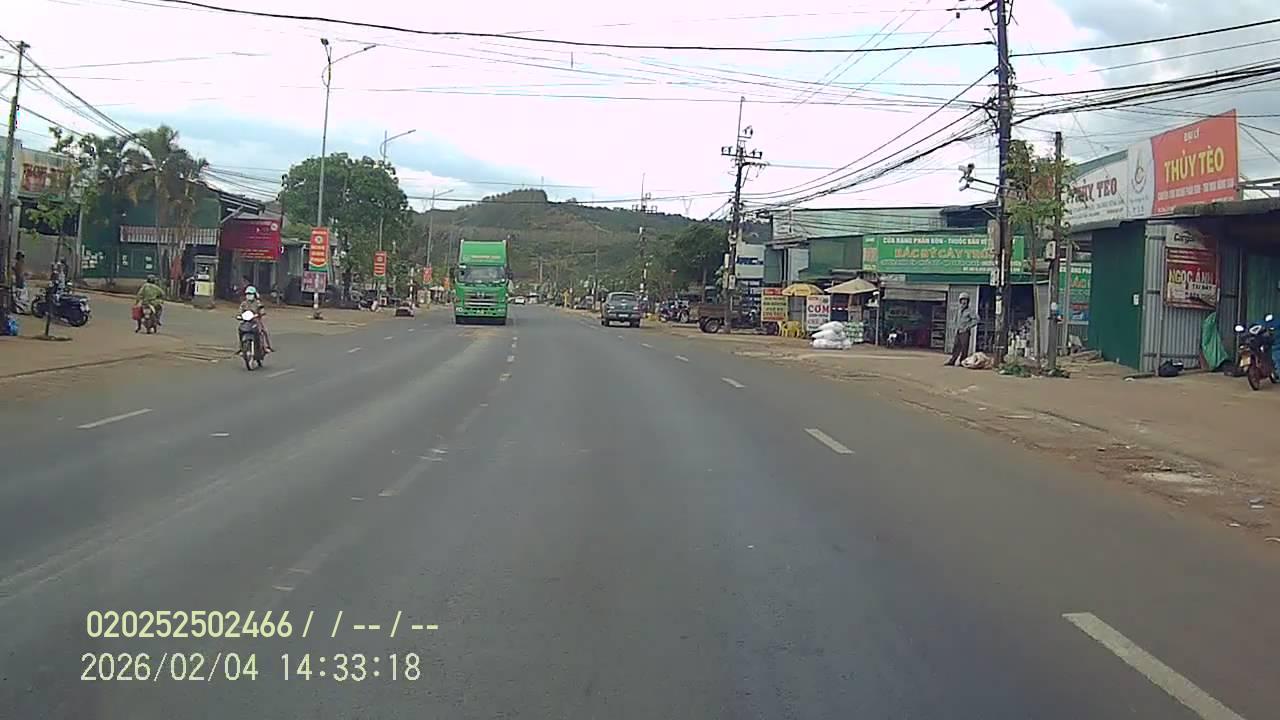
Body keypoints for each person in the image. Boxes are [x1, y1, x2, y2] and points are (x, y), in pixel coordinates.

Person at [945, 292, 979, 366]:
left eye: (965, 300)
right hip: (958, 331)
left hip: (965, 332)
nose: (964, 302)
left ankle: (962, 361)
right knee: (956, 346)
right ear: (960, 301)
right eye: (962, 300)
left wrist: (968, 326)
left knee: (964, 348)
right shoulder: (959, 310)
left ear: (967, 302)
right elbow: (955, 319)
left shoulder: (970, 311)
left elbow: (976, 319)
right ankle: (952, 360)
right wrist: (955, 327)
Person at [239, 285, 273, 352]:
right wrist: (240, 316)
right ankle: (241, 347)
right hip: (246, 321)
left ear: (254, 295)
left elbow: (262, 310)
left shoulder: (258, 303)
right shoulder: (244, 304)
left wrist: (260, 314)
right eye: (248, 294)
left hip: (256, 320)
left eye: (251, 294)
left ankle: (266, 346)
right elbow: (240, 311)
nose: (249, 295)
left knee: (263, 331)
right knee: (240, 330)